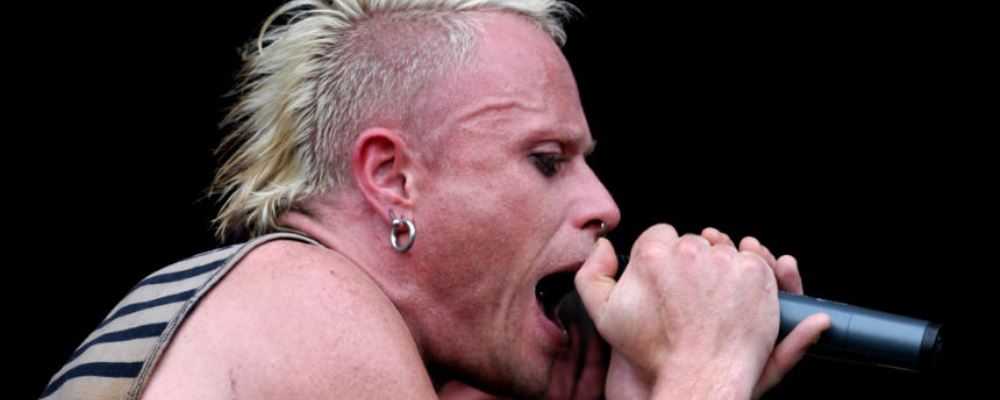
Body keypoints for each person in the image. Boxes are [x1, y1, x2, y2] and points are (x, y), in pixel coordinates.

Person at [41, 1, 831, 398]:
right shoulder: (308, 300)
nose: (606, 206)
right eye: (547, 160)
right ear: (393, 179)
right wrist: (702, 371)